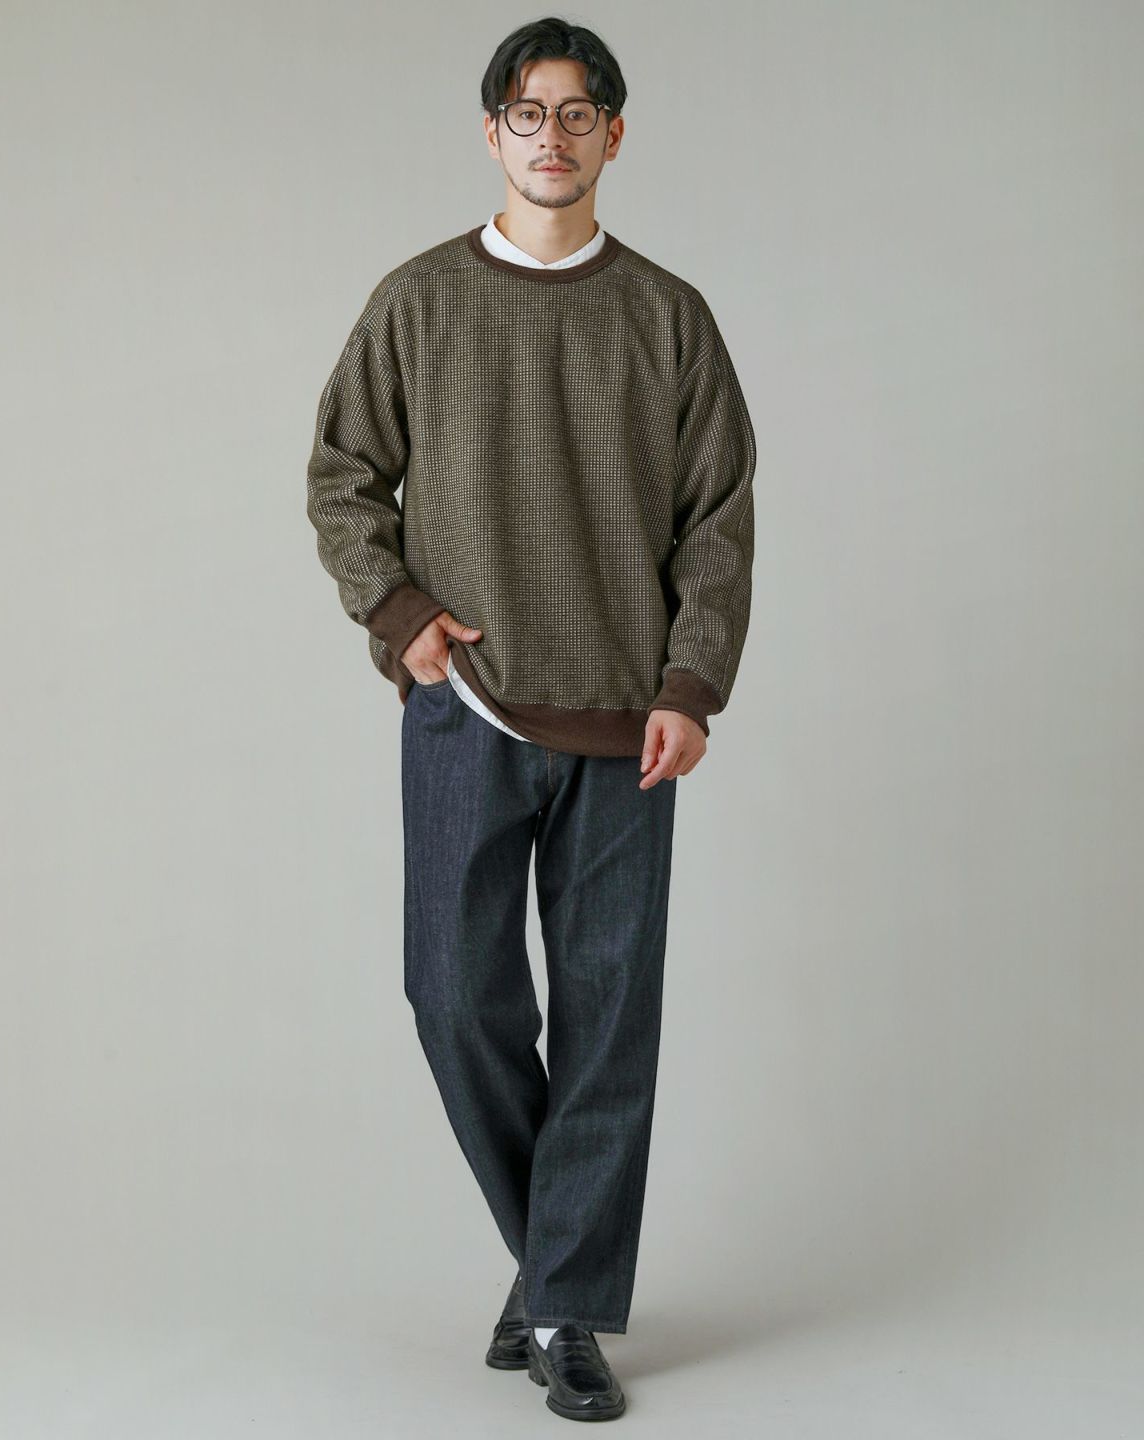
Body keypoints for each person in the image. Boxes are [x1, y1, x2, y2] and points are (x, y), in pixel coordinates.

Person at [305, 16, 756, 1423]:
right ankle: (556, 1258)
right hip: (470, 705)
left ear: (614, 133)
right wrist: (401, 617)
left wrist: (691, 685)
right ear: (490, 133)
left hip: (629, 722)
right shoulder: (419, 300)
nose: (549, 137)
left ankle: (562, 1307)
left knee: (611, 1021)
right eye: (525, 112)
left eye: (575, 113)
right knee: (454, 997)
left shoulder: (668, 316)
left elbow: (719, 519)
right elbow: (342, 473)